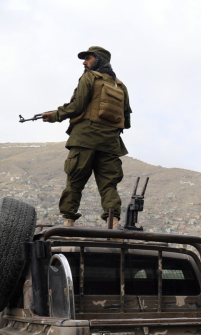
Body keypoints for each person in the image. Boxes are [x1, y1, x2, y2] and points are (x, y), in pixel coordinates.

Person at [43, 46, 132, 229]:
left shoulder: (89, 78)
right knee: (108, 185)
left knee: (75, 181)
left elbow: (77, 106)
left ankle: (69, 222)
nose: (84, 62)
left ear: (99, 60)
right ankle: (113, 223)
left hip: (84, 139)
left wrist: (55, 115)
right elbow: (126, 120)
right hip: (110, 144)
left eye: (88, 58)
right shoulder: (121, 86)